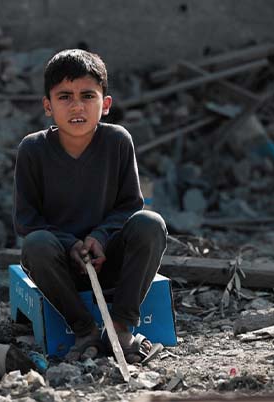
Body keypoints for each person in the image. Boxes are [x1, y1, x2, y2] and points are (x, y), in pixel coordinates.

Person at [13, 49, 167, 363]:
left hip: (110, 260)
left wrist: (101, 236)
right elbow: (27, 220)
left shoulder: (117, 142)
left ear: (105, 104)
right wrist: (70, 244)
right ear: (48, 106)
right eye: (64, 97)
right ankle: (84, 331)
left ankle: (122, 326)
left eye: (87, 95)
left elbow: (129, 206)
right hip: (61, 269)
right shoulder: (32, 150)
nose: (77, 106)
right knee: (36, 244)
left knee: (150, 223)